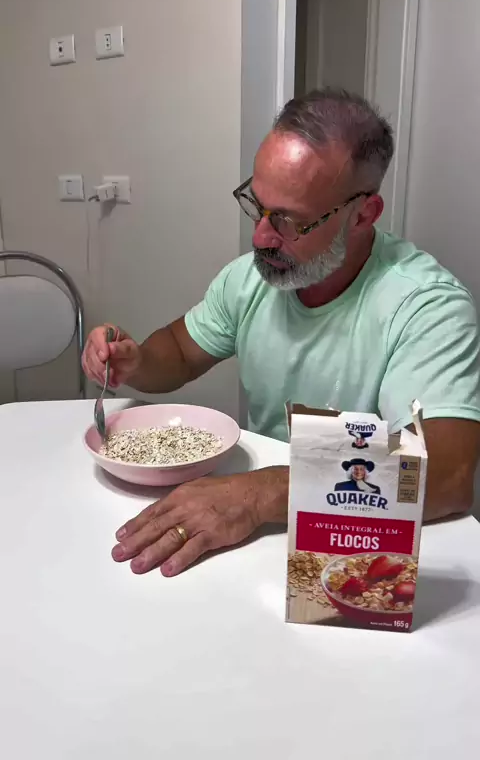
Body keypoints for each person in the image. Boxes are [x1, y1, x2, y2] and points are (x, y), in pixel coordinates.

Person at [82, 88, 480, 579]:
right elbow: (181, 352)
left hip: (354, 549)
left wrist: (260, 494)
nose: (260, 237)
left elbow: (447, 474)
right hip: (249, 532)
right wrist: (137, 361)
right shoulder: (249, 279)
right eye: (258, 205)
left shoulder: (426, 305)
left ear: (363, 214)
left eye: (290, 221)